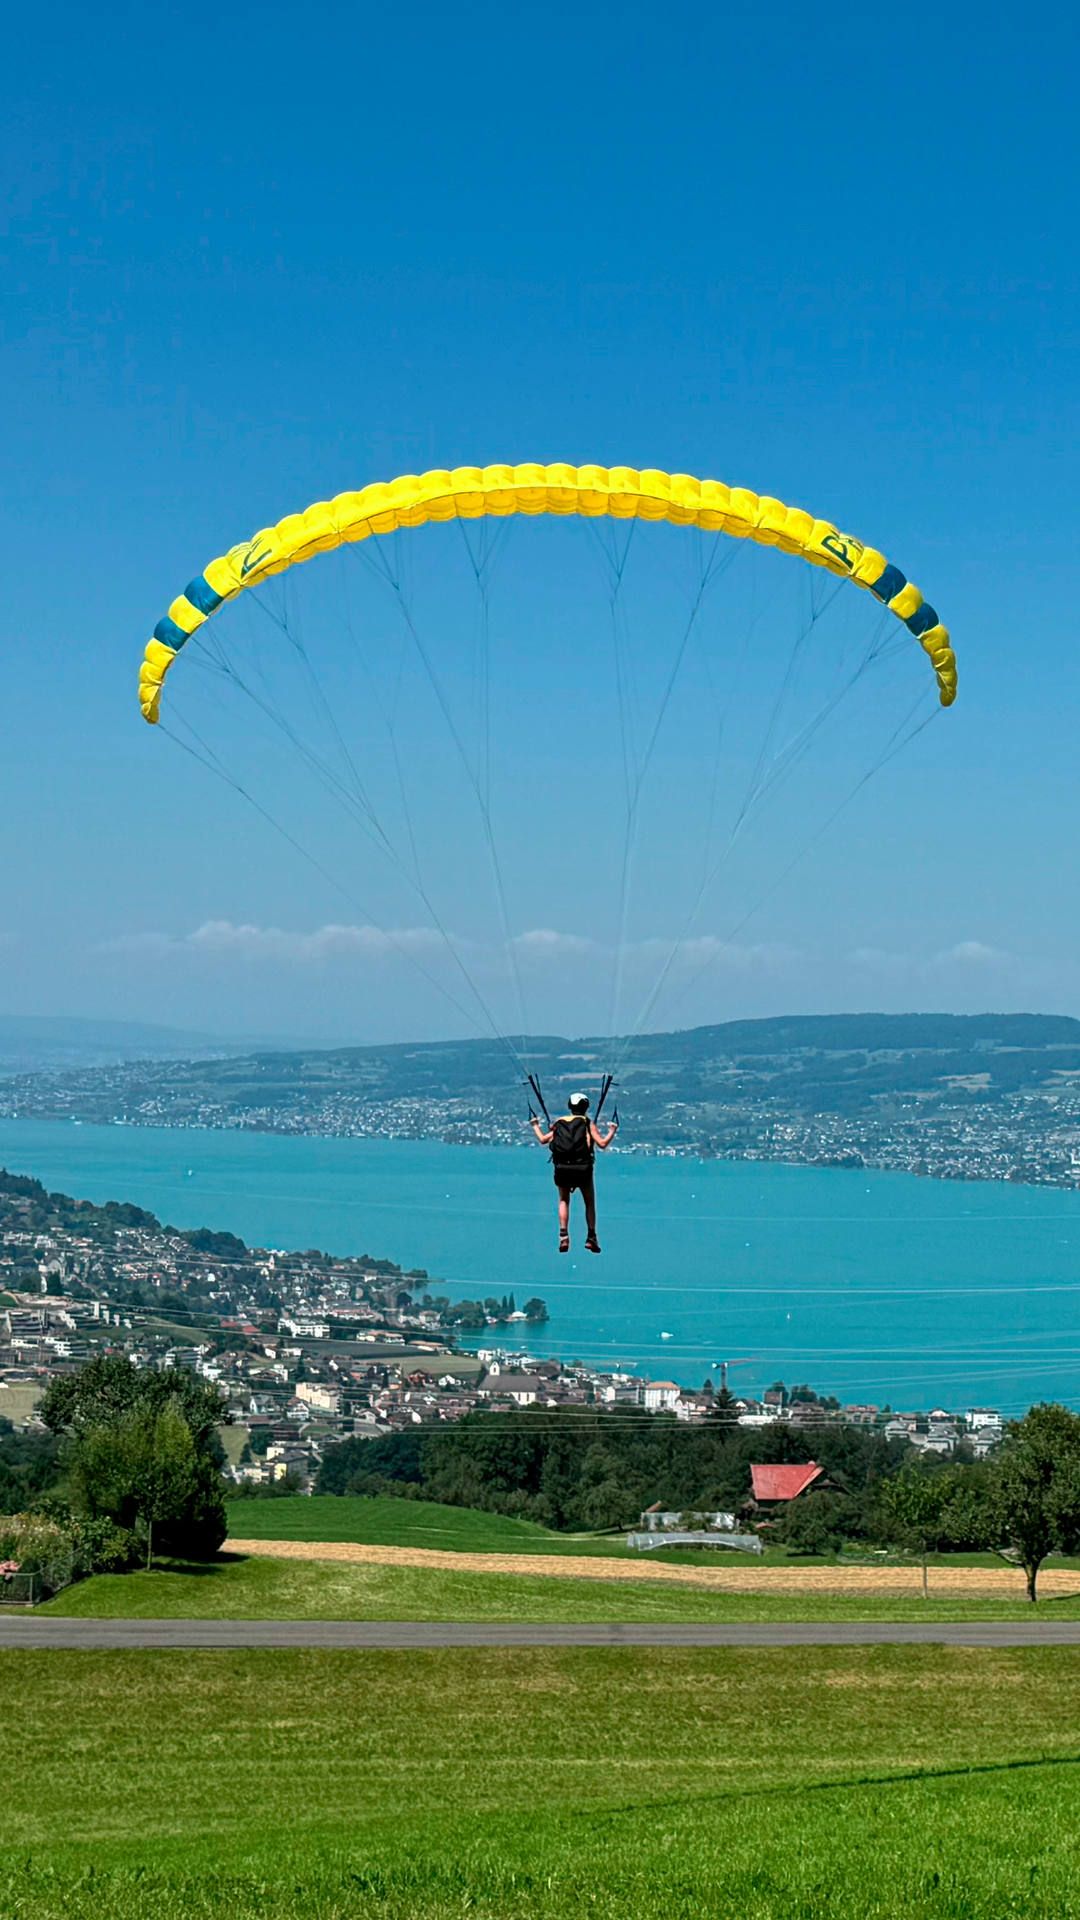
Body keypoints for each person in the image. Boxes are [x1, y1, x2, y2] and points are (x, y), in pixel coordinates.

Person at [530, 1092, 618, 1254]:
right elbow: (602, 1144)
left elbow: (543, 1139)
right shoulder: (587, 1123)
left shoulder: (559, 1123)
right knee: (589, 1203)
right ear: (586, 1107)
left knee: (564, 1200)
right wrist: (612, 1130)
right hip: (583, 1169)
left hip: (562, 1168)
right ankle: (591, 1236)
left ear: (570, 1106)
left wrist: (535, 1124)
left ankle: (564, 1235)